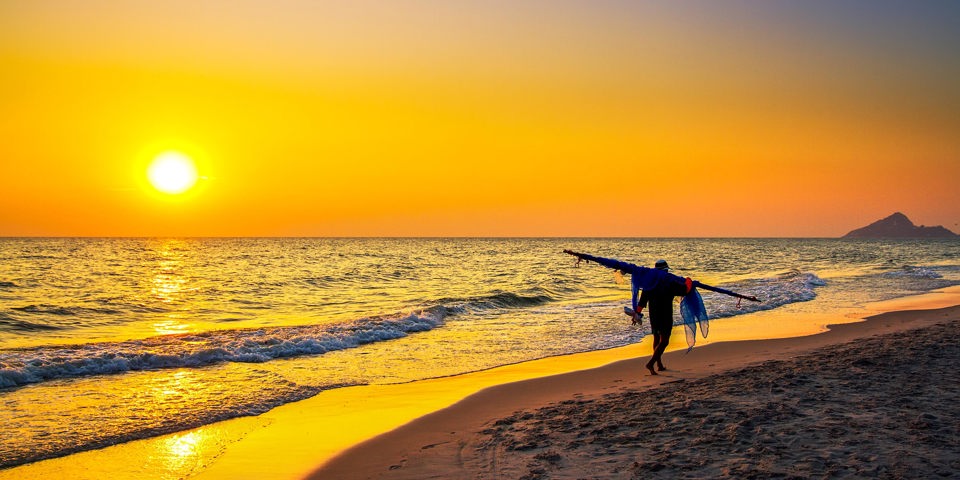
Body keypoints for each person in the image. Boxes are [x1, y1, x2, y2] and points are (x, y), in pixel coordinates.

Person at [635, 260, 689, 375]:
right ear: (666, 271)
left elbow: (642, 301)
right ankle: (651, 363)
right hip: (665, 315)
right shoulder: (670, 282)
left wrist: (637, 314)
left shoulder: (649, 284)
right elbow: (685, 290)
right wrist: (689, 281)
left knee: (656, 338)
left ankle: (659, 365)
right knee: (664, 341)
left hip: (654, 315)